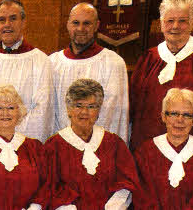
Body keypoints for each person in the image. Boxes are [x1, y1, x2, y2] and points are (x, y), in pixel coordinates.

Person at [130, 0, 193, 150]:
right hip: (148, 146)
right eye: (170, 21)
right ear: (162, 24)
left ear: (191, 24)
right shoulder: (149, 58)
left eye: (182, 21)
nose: (175, 26)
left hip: (191, 145)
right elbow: (133, 102)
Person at [44, 79, 140, 209]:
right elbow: (50, 189)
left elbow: (126, 183)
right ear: (68, 110)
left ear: (99, 111)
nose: (84, 112)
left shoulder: (114, 143)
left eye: (91, 106)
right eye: (78, 106)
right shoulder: (53, 146)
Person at [0, 0, 55, 143]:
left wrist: (14, 138)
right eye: (2, 20)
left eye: (13, 19)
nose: (7, 25)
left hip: (24, 143)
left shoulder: (40, 61)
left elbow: (42, 108)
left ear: (23, 22)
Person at [49, 3, 129, 142]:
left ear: (97, 25)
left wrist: (93, 144)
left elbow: (113, 114)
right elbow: (51, 111)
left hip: (99, 146)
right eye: (75, 23)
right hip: (62, 145)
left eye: (87, 23)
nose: (80, 28)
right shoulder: (53, 63)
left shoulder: (113, 63)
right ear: (68, 25)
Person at [134, 88, 193, 209]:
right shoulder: (145, 153)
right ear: (163, 116)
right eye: (174, 113)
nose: (180, 120)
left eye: (187, 115)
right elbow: (142, 198)